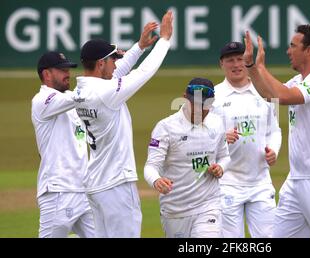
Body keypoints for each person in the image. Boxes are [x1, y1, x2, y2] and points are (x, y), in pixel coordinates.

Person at [73, 10, 173, 237]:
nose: (115, 64)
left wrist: (139, 47)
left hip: (96, 183)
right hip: (116, 183)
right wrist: (164, 40)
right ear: (100, 64)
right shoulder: (106, 92)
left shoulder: (81, 90)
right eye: (112, 59)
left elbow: (117, 74)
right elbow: (144, 72)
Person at [243, 25, 310, 237]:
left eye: (293, 46)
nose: (288, 51)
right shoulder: (298, 81)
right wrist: (251, 66)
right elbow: (270, 95)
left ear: (309, 50)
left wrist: (261, 68)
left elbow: (284, 97)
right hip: (295, 180)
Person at [144, 78, 230, 238]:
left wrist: (220, 168)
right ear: (185, 98)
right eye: (195, 104)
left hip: (208, 204)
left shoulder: (217, 123)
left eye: (203, 106)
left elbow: (225, 156)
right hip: (175, 209)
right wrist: (156, 180)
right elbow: (150, 166)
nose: (199, 110)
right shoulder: (165, 127)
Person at [212, 42, 281, 238]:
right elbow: (197, 136)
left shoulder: (266, 93)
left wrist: (274, 150)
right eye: (230, 60)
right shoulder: (212, 96)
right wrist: (221, 137)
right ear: (221, 64)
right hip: (226, 182)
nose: (236, 64)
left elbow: (275, 131)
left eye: (240, 59)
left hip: (260, 182)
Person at [31, 51, 95, 238]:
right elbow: (80, 95)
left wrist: (137, 50)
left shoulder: (70, 101)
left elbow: (103, 87)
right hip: (58, 191)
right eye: (61, 70)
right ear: (47, 74)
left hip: (84, 191)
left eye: (68, 69)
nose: (67, 73)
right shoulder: (42, 100)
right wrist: (92, 78)